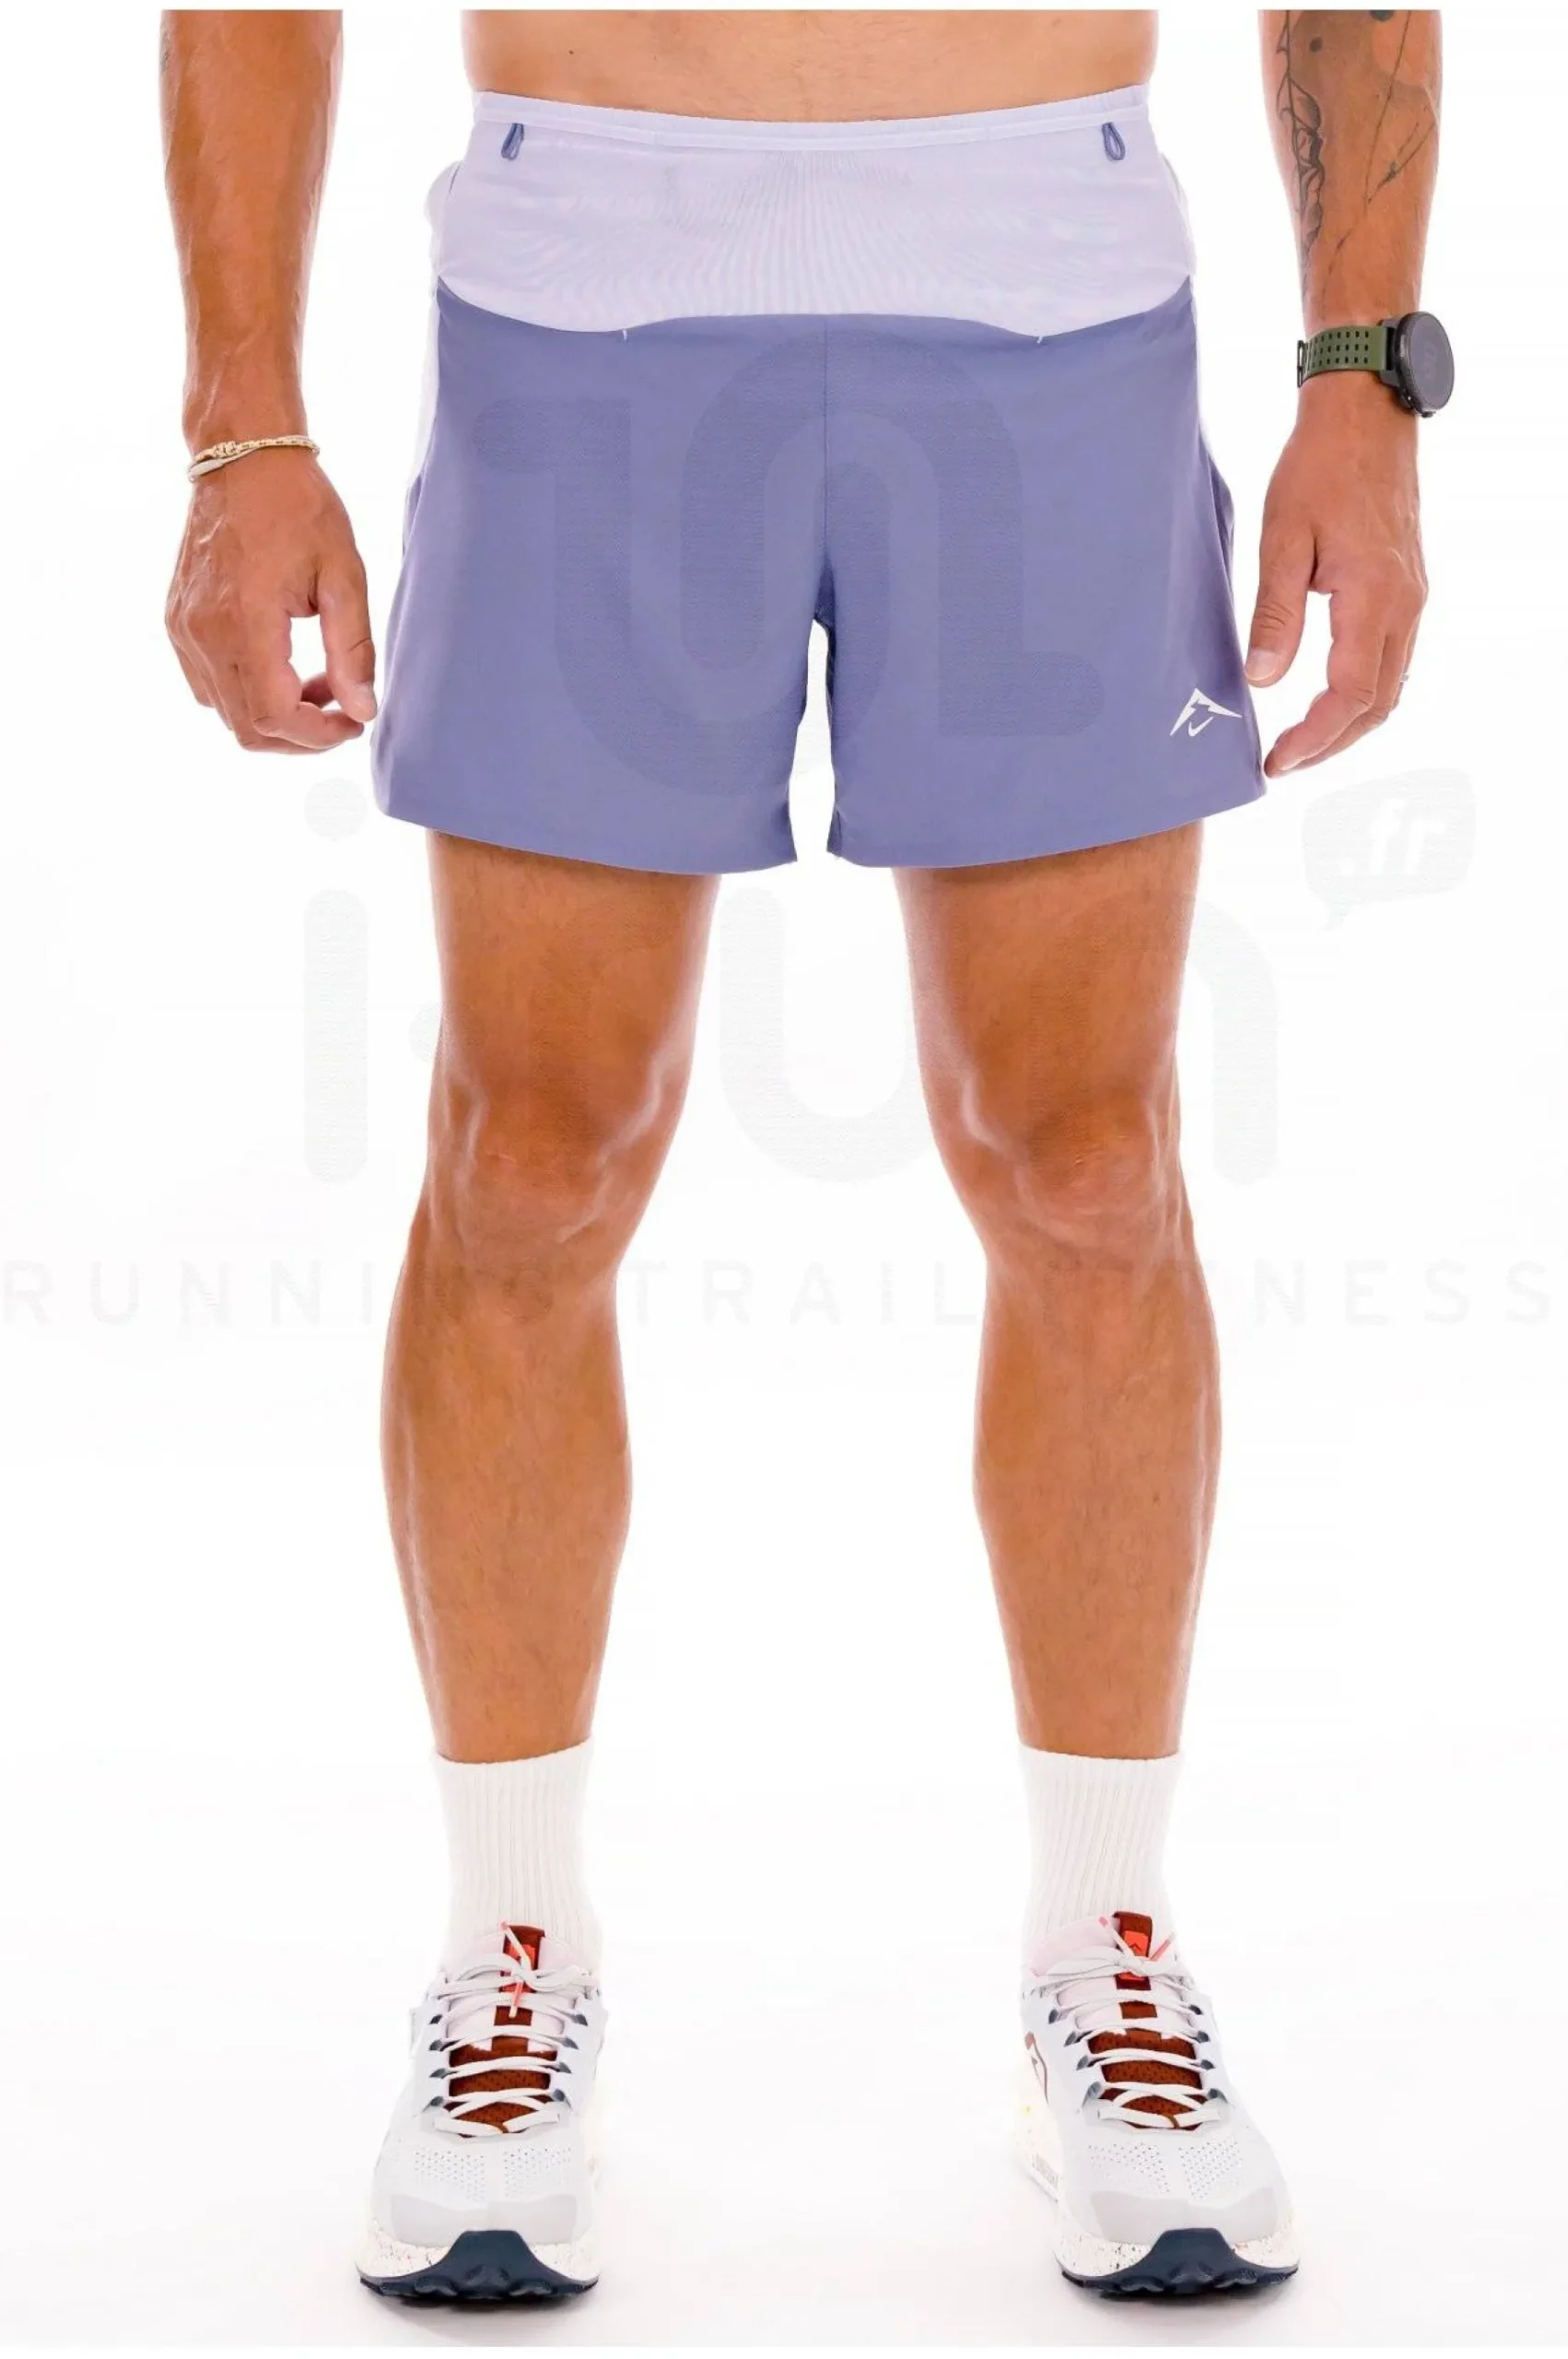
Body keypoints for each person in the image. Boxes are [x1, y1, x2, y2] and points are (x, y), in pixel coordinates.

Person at [161, 7, 1445, 2305]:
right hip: (585, 291)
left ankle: (1105, 1944)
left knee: (1086, 1163)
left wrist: (1358, 367)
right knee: (529, 1162)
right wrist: (240, 419)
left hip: (1044, 284)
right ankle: (511, 1953)